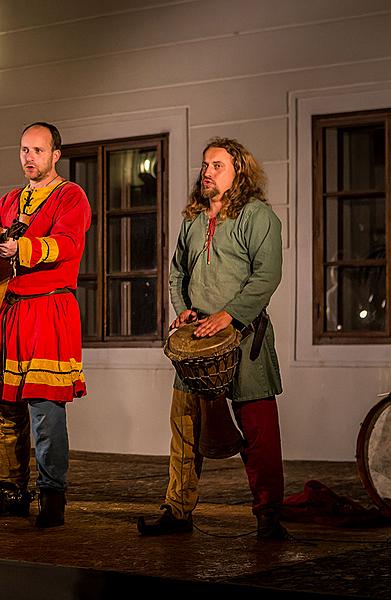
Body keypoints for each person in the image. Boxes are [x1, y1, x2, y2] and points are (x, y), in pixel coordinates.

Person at [137, 137, 286, 540]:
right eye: (205, 165)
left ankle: (269, 516)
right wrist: (181, 307)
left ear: (239, 170)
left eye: (216, 165)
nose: (206, 172)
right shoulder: (193, 219)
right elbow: (176, 273)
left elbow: (266, 276)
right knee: (184, 429)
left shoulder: (258, 217)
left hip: (243, 337)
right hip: (196, 342)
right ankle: (178, 511)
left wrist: (229, 315)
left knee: (259, 432)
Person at [0, 122, 90, 528]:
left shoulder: (71, 196)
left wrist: (23, 247)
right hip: (11, 311)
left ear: (55, 155)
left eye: (37, 150)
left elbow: (68, 243)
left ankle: (52, 499)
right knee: (4, 405)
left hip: (49, 311)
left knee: (45, 409)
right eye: (23, 150)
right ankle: (12, 492)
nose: (29, 157)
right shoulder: (12, 199)